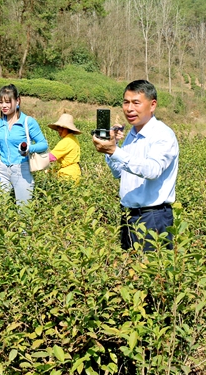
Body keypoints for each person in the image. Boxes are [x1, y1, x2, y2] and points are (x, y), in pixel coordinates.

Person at [93, 80, 179, 251]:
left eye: (136, 103)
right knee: (130, 271)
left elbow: (152, 170)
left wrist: (115, 152)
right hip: (128, 214)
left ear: (152, 105)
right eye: (126, 102)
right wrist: (112, 149)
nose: (129, 109)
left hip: (153, 217)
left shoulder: (162, 135)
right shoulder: (132, 134)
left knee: (152, 272)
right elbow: (119, 173)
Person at [0, 84, 48, 204]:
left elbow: (43, 144)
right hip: (2, 169)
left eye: (8, 102)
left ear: (17, 101)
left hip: (21, 170)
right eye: (1, 102)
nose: (4, 106)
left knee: (23, 211)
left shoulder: (27, 122)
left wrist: (30, 148)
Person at [48, 113, 82, 181]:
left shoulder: (66, 141)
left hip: (67, 175)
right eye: (58, 127)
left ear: (67, 129)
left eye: (62, 128)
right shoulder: (73, 139)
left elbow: (51, 157)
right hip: (75, 173)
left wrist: (35, 158)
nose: (59, 130)